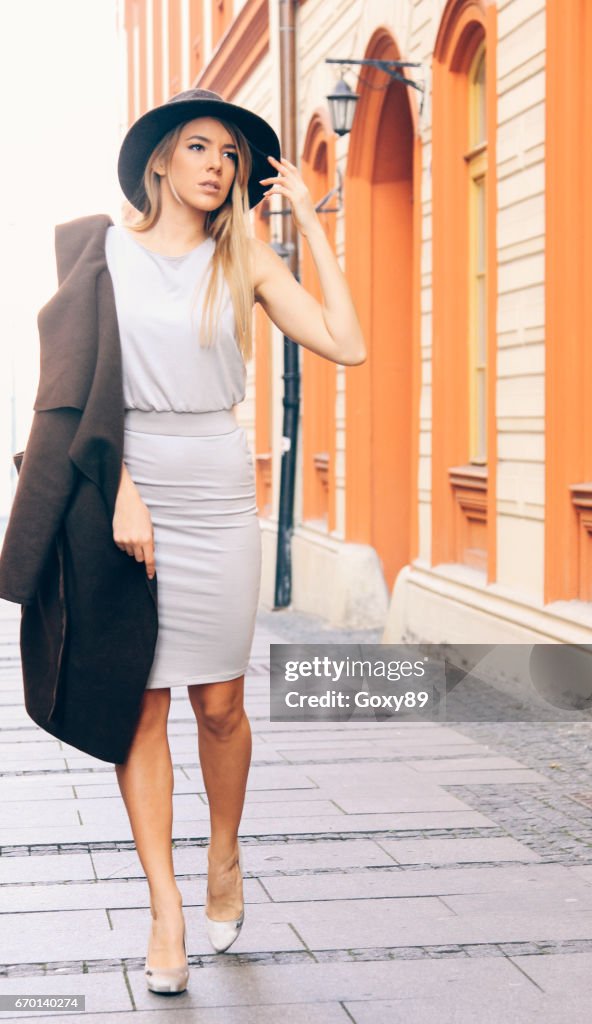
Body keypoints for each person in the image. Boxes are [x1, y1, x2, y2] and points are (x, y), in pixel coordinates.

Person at [97, 89, 365, 994]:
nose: (216, 164)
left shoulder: (241, 256)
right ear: (161, 162)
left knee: (218, 704)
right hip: (129, 487)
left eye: (231, 156)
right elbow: (70, 393)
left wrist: (308, 229)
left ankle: (222, 852)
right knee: (142, 705)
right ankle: (165, 907)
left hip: (216, 487)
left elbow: (347, 342)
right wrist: (123, 491)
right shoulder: (99, 253)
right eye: (198, 147)